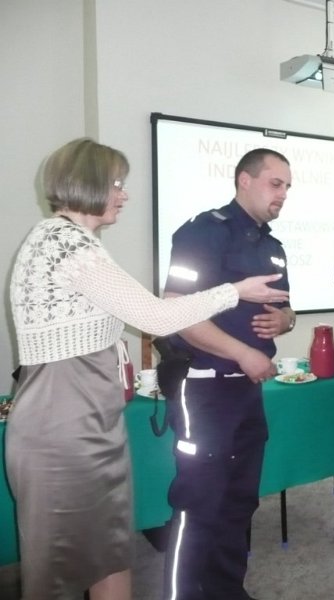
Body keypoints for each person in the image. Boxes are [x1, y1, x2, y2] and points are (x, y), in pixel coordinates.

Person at [5, 138, 286, 600]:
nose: (124, 194)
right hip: (63, 422)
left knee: (110, 548)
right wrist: (235, 291)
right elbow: (156, 316)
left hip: (89, 418)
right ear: (88, 183)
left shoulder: (77, 241)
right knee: (58, 568)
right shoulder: (63, 243)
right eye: (117, 184)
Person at [161, 148, 295, 600]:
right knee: (198, 503)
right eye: (275, 183)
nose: (283, 194)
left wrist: (285, 321)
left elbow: (286, 309)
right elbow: (177, 312)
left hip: (248, 390)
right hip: (205, 390)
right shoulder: (203, 233)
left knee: (239, 499)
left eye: (287, 187)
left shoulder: (273, 247)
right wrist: (243, 353)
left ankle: (225, 590)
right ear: (244, 180)